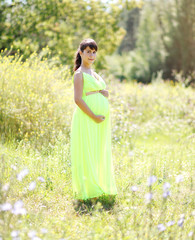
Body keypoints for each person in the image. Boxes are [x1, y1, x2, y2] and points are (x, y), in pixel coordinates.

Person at [70, 38, 118, 205]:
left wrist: (102, 93)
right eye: (88, 51)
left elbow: (94, 91)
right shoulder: (79, 74)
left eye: (94, 51)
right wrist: (94, 116)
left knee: (98, 151)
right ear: (81, 53)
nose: (91, 55)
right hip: (87, 118)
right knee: (88, 152)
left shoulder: (94, 73)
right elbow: (77, 99)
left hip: (100, 121)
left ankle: (100, 186)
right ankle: (89, 192)